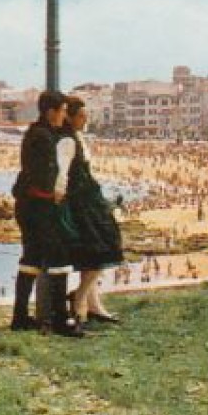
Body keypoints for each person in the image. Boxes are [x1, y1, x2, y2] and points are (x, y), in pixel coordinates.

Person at [9, 91, 85, 337]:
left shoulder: (37, 133)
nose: (65, 116)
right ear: (52, 112)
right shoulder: (43, 136)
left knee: (31, 260)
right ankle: (60, 320)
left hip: (29, 205)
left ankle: (20, 317)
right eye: (63, 111)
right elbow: (48, 172)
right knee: (58, 259)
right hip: (41, 207)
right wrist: (57, 194)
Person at [59, 96, 127, 326]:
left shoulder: (74, 137)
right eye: (81, 116)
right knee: (98, 250)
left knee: (97, 251)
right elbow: (63, 176)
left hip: (89, 199)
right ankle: (80, 299)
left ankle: (92, 304)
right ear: (68, 116)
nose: (85, 120)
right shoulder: (68, 140)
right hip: (82, 202)